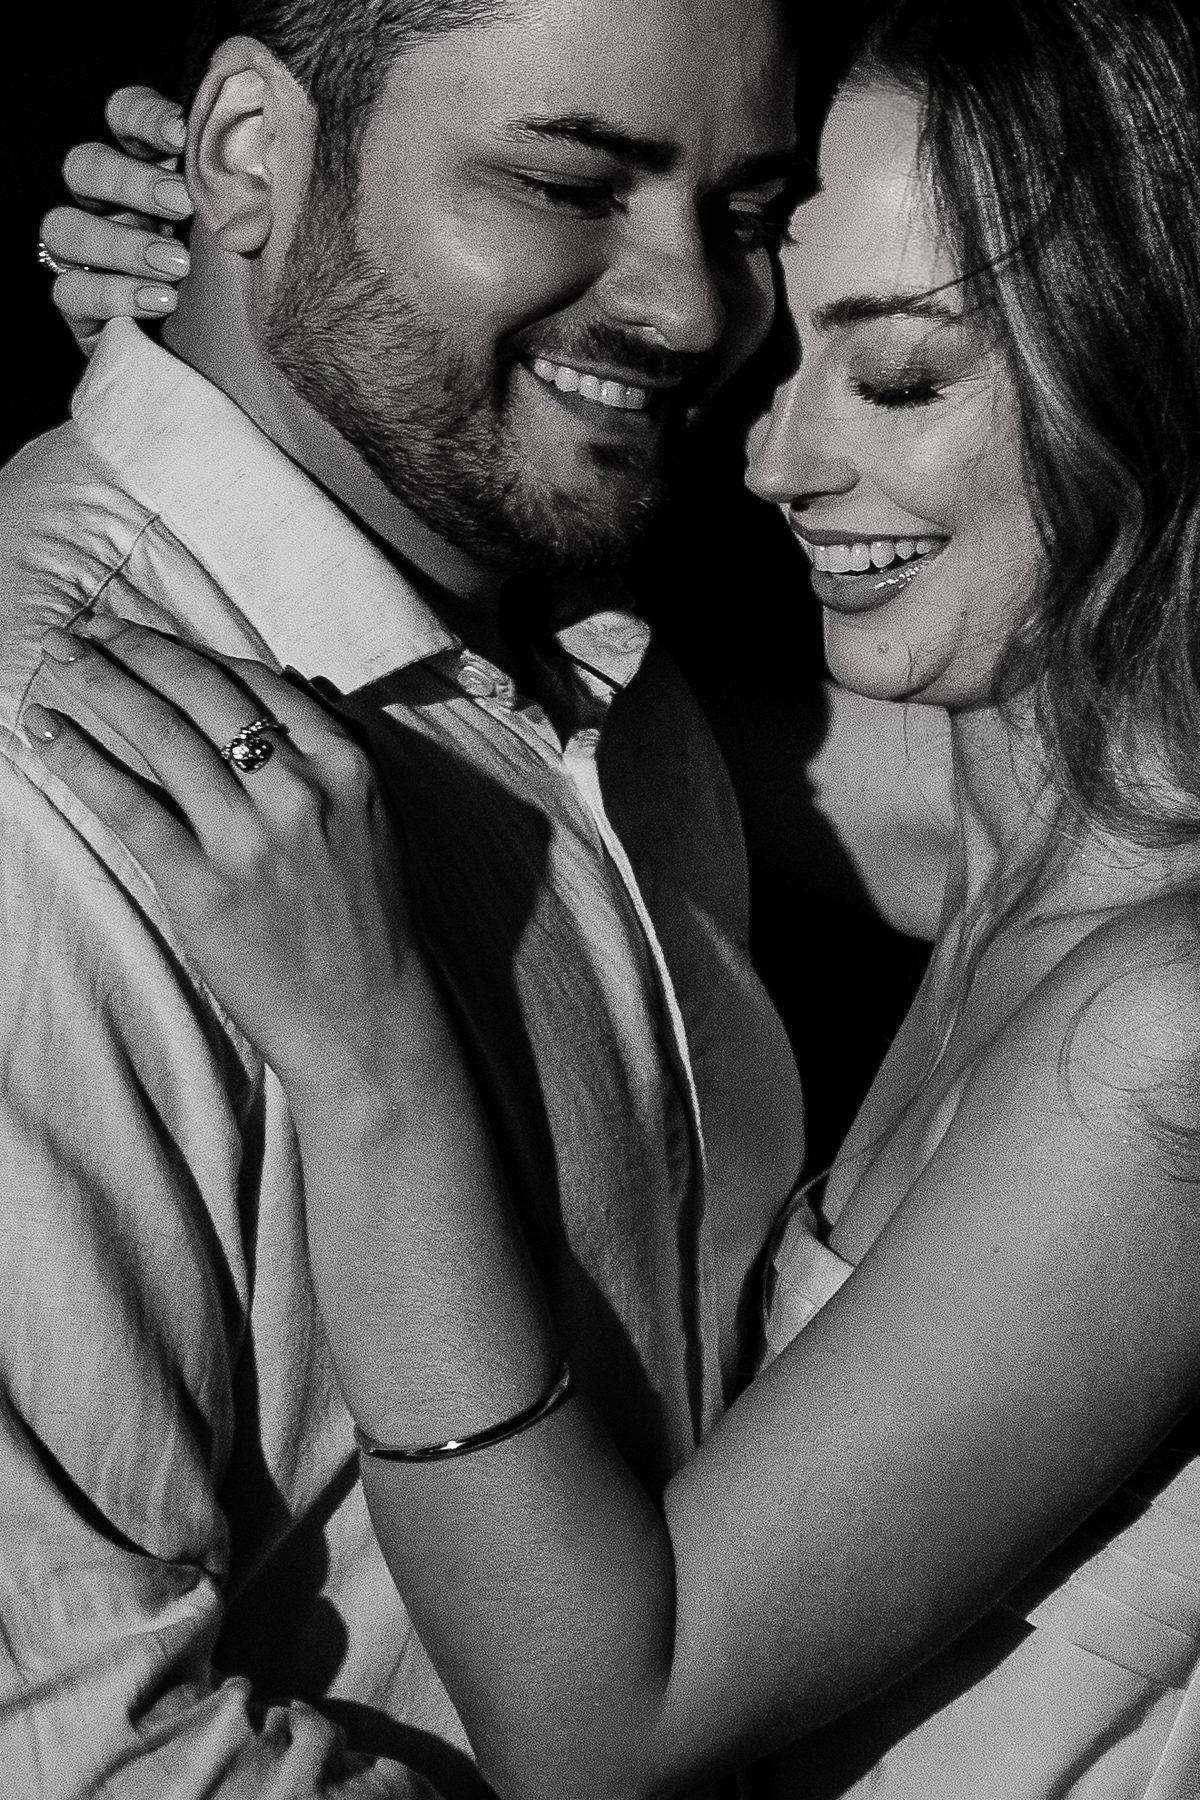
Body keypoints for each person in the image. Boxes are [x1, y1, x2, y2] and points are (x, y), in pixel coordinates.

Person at [31, 0, 1200, 1795]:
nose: (757, 432)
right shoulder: (940, 801)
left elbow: (604, 1718)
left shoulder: (1153, 1012)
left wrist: (381, 1069)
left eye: (899, 374)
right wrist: (248, 316)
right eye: (568, 182)